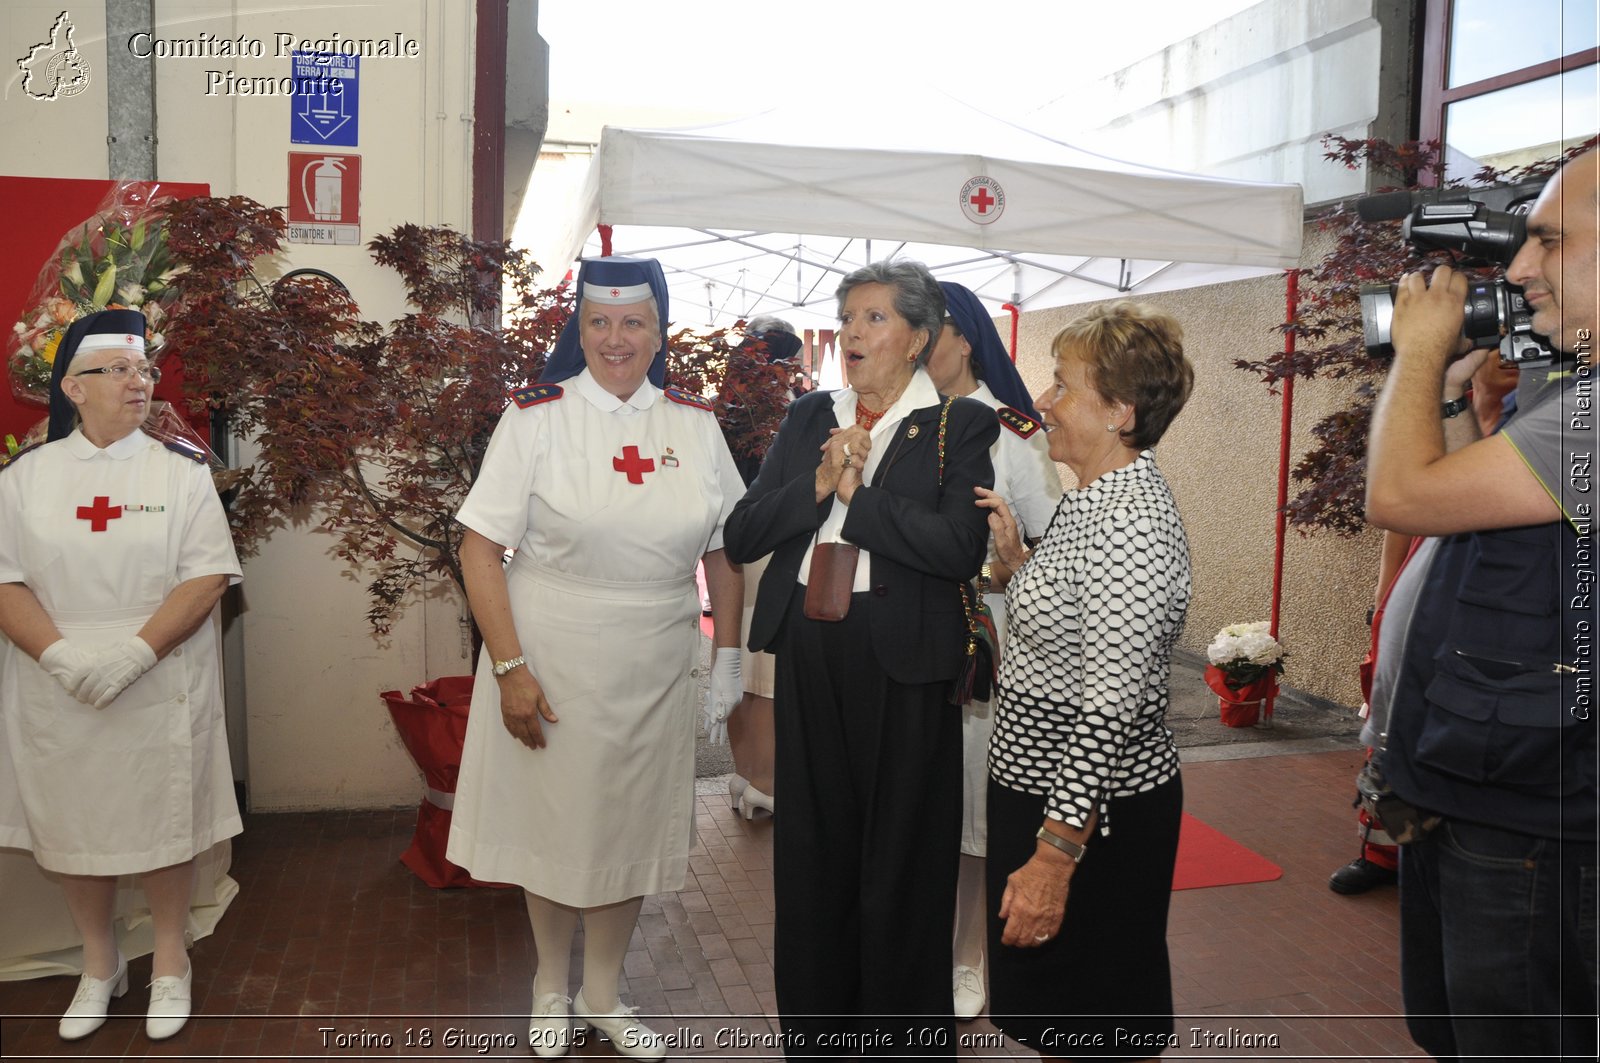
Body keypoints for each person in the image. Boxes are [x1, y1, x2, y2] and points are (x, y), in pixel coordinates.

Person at [446, 257, 745, 1061]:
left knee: (629, 828)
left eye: (634, 322)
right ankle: (550, 983)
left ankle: (604, 991)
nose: (617, 339)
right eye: (600, 323)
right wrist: (510, 667)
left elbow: (727, 553)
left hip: (656, 657)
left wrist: (730, 661)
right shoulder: (537, 418)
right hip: (552, 652)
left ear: (658, 331)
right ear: (579, 330)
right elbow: (479, 551)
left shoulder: (694, 425)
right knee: (556, 825)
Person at [724, 260, 996, 1056]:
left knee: (903, 860)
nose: (852, 333)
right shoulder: (812, 415)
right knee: (812, 853)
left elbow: (957, 547)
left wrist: (859, 496)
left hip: (904, 664)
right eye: (847, 317)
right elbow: (744, 534)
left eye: (874, 318)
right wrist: (815, 483)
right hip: (810, 652)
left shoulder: (959, 426)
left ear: (918, 337)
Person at [1363, 149, 1598, 1059]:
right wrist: (1458, 392)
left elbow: (1402, 495)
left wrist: (1419, 351)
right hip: (1481, 790)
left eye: (1548, 242)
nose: (1519, 270)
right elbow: (1459, 511)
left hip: (1535, 818)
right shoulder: (1573, 395)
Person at [0, 308, 243, 1042]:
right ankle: (100, 964)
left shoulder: (181, 472)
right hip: (58, 678)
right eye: (120, 370)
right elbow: (6, 582)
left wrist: (136, 653)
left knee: (161, 820)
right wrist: (65, 657)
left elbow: (205, 579)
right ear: (73, 385)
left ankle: (170, 960)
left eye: (145, 369)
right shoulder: (25, 478)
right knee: (73, 822)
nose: (140, 382)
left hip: (158, 671)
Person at [977, 301, 1194, 1058]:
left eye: (1062, 385)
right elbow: (1084, 634)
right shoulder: (1093, 499)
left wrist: (1053, 856)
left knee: (1093, 1024)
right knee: (1060, 1020)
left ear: (1120, 410)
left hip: (1090, 820)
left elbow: (1110, 709)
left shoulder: (1131, 520)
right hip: (1051, 800)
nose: (1043, 401)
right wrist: (1017, 567)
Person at [1330, 356, 1522, 896]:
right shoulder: (1447, 422)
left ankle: (1425, 854)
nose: (1506, 359)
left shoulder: (1530, 430)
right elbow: (1401, 516)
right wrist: (1384, 592)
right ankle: (1380, 850)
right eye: (1495, 351)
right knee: (1390, 720)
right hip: (1417, 589)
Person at [926, 282, 1061, 1020]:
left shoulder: (1016, 434)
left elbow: (1054, 539)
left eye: (928, 329)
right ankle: (917, 944)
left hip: (988, 632)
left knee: (975, 809)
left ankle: (969, 954)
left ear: (965, 336)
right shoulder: (902, 416)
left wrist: (1012, 563)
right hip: (909, 632)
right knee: (917, 800)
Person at [727, 314, 803, 819]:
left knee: (737, 663)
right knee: (769, 671)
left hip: (730, 549)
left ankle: (744, 773)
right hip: (775, 547)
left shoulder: (720, 412)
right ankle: (767, 783)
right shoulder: (796, 413)